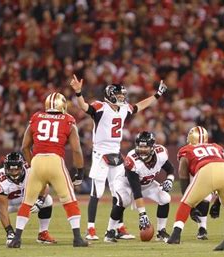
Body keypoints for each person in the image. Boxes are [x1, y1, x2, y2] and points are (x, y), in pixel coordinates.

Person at [70, 75, 167, 240]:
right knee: (97, 191)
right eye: (119, 95)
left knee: (120, 193)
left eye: (123, 95)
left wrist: (157, 95)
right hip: (100, 153)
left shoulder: (123, 109)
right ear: (109, 95)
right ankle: (91, 229)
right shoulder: (100, 107)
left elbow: (139, 106)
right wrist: (78, 93)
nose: (122, 97)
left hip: (116, 152)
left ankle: (119, 227)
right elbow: (84, 107)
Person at [7, 92, 88, 248]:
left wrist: (32, 166)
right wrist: (79, 171)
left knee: (27, 202)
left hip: (37, 161)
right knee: (69, 200)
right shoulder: (68, 120)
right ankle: (77, 238)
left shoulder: (37, 117)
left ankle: (16, 238)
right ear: (62, 105)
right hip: (55, 161)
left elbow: (24, 146)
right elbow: (77, 150)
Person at [0, 152, 55, 245]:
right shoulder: (0, 178)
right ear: (5, 168)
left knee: (47, 200)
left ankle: (43, 234)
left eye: (17, 169)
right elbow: (2, 208)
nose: (14, 173)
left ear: (22, 166)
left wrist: (40, 200)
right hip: (4, 203)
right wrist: (9, 232)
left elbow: (45, 186)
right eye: (11, 170)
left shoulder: (31, 170)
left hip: (23, 200)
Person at [103, 132, 174, 242]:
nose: (142, 150)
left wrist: (170, 179)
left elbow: (170, 169)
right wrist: (142, 214)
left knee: (165, 198)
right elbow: (136, 189)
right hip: (125, 183)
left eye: (145, 147)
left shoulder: (160, 154)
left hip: (147, 184)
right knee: (125, 200)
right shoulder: (132, 160)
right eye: (140, 147)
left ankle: (161, 231)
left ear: (152, 147)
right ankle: (109, 232)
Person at [167, 127, 224, 244]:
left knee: (193, 200)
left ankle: (182, 232)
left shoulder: (187, 150)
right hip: (223, 171)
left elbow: (183, 174)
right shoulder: (216, 147)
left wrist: (187, 199)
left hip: (203, 172)